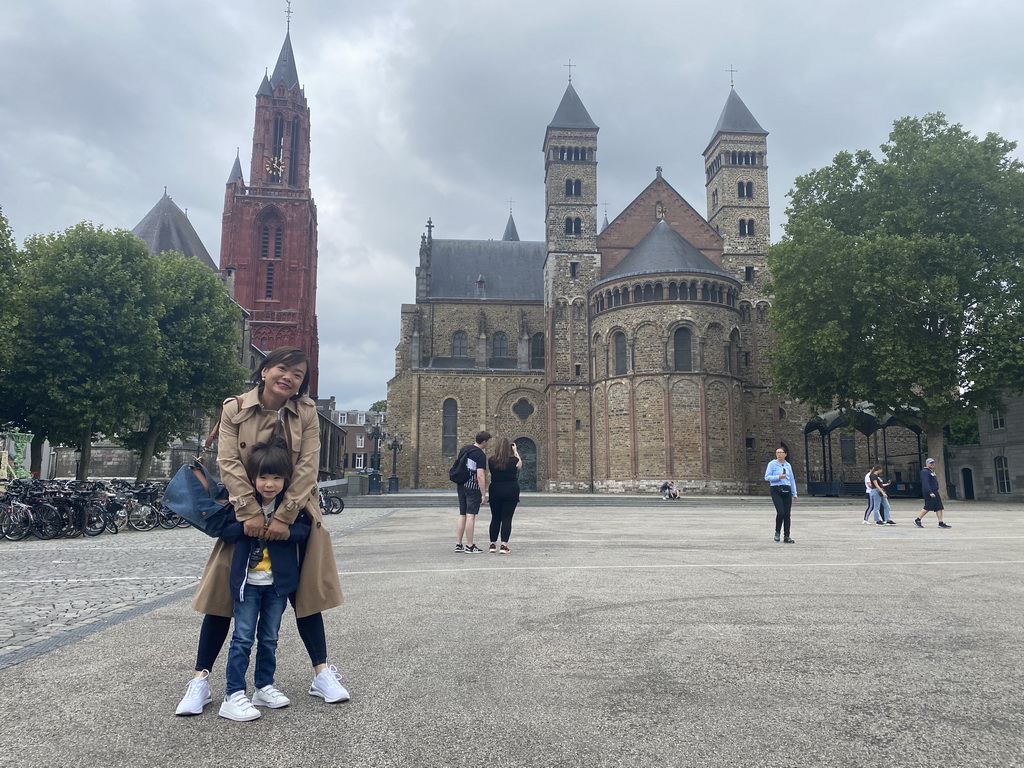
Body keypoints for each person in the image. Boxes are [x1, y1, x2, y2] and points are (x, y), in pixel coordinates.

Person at [176, 347, 348, 717]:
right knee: (225, 594)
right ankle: (201, 680)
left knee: (306, 595)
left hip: (296, 512)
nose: (289, 377)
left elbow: (307, 466)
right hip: (244, 513)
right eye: (282, 369)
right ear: (266, 370)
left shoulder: (306, 413)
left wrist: (286, 515)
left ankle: (321, 673)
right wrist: (249, 511)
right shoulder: (235, 408)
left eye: (298, 374)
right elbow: (227, 461)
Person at [219, 437, 310, 721]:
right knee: (242, 638)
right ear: (253, 479)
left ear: (285, 480)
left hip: (276, 584)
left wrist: (282, 531)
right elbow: (225, 531)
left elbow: (304, 532)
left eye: (276, 478)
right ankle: (233, 693)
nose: (269, 484)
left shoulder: (290, 506)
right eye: (263, 477)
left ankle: (263, 686)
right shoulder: (243, 503)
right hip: (248, 585)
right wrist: (248, 527)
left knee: (269, 638)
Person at [455, 431, 491, 553]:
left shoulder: (465, 449)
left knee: (462, 514)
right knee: (470, 515)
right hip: (472, 487)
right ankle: (470, 546)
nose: (488, 444)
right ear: (484, 441)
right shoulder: (480, 455)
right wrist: (483, 493)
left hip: (461, 485)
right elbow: (480, 475)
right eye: (488, 442)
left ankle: (458, 544)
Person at [487, 438, 522, 554]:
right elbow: (520, 465)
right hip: (511, 489)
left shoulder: (491, 460)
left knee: (495, 517)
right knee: (507, 518)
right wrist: (515, 451)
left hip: (495, 489)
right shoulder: (514, 460)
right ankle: (503, 545)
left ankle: (492, 544)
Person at [765, 447, 798, 543]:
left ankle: (787, 536)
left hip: (786, 489)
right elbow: (767, 477)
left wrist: (794, 493)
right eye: (777, 453)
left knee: (787, 514)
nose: (779, 454)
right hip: (776, 489)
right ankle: (777, 532)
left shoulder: (788, 465)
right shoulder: (772, 464)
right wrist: (778, 477)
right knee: (781, 513)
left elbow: (791, 480)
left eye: (781, 453)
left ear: (785, 454)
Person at [915, 457, 951, 529]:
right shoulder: (925, 471)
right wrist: (930, 492)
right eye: (930, 463)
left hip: (935, 491)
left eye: (933, 463)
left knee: (939, 507)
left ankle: (940, 522)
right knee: (928, 507)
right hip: (929, 491)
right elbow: (925, 483)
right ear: (927, 463)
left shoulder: (931, 471)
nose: (932, 464)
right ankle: (918, 519)